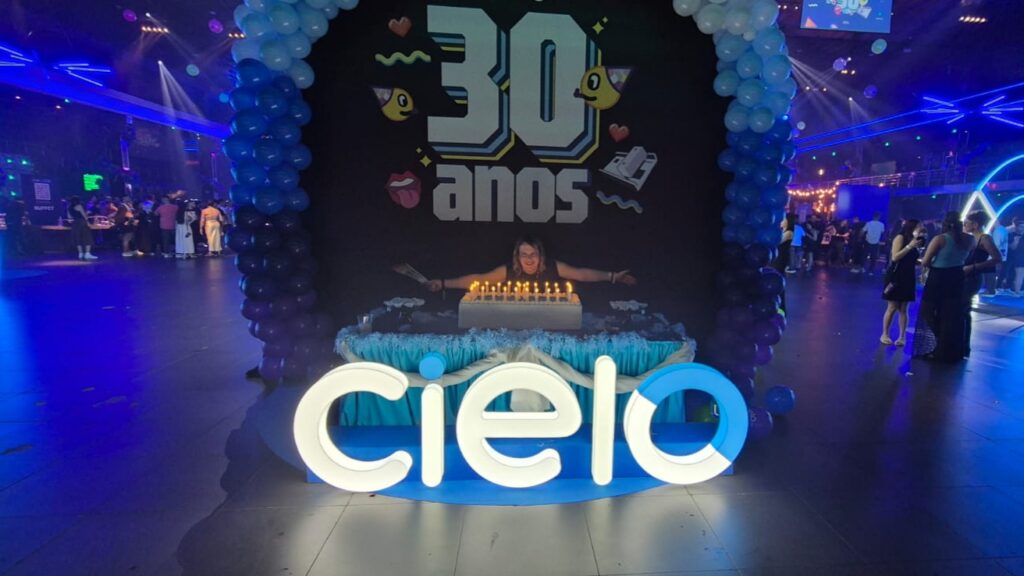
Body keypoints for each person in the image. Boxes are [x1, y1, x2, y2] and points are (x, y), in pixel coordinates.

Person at [425, 235, 637, 291]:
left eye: (533, 254)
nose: (528, 259)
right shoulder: (508, 271)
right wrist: (443, 283)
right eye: (524, 254)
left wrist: (612, 277)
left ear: (540, 255)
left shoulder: (553, 267)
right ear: (517, 257)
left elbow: (581, 274)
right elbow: (478, 280)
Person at [912, 212, 975, 362]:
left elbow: (926, 261)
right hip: (957, 276)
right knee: (950, 314)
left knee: (928, 310)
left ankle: (941, 342)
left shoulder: (940, 239)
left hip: (938, 277)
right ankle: (949, 346)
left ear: (945, 223)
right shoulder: (970, 239)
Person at [962, 211, 1002, 356]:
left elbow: (997, 258)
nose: (964, 225)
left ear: (975, 224)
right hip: (966, 276)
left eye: (966, 222)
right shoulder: (972, 238)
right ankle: (961, 344)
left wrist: (973, 267)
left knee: (964, 309)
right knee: (962, 309)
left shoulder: (985, 238)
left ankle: (964, 345)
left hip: (973, 277)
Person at [880, 220, 924, 346]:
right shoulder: (900, 238)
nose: (921, 229)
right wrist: (909, 246)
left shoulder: (916, 240)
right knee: (892, 306)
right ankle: (885, 334)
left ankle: (902, 337)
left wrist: (922, 261)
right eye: (919, 227)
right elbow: (895, 257)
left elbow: (912, 258)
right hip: (896, 275)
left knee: (904, 308)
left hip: (908, 276)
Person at [67, 196, 98, 260]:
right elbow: (84, 215)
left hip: (75, 223)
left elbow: (69, 218)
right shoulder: (79, 206)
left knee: (78, 238)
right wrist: (88, 222)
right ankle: (87, 254)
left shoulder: (69, 208)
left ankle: (80, 254)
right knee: (87, 237)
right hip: (82, 222)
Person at [989, 217, 1009, 294]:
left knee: (992, 273)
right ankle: (994, 289)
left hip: (995, 255)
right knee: (996, 273)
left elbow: (996, 245)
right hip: (1002, 255)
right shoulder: (1003, 229)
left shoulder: (997, 231)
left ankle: (991, 290)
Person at [1008, 216, 1024, 297]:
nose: (1023, 228)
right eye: (1021, 226)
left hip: (1021, 257)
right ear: (1017, 227)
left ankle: (1019, 290)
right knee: (1019, 275)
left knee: (1021, 275)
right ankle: (1017, 291)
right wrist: (1016, 240)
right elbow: (1012, 247)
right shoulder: (1013, 235)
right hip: (1019, 258)